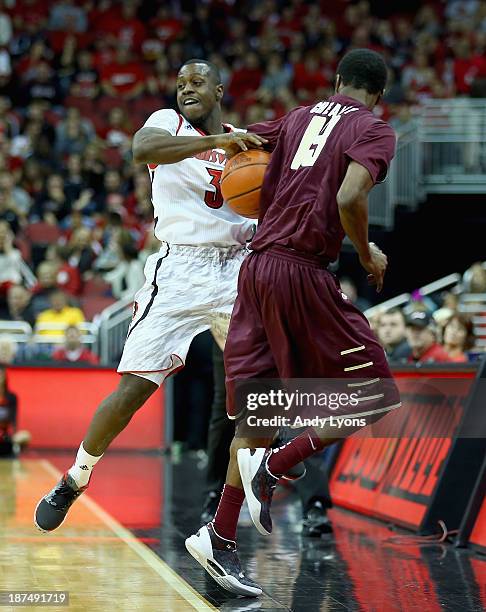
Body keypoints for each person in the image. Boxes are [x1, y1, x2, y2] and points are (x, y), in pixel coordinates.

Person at [185, 48, 402, 597]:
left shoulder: (298, 116)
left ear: (335, 80)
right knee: (372, 393)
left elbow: (239, 141)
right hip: (300, 270)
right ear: (379, 94)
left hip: (254, 269)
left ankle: (219, 536)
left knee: (262, 409)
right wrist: (367, 252)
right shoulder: (373, 128)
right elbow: (351, 194)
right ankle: (276, 466)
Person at [34, 60, 265, 549]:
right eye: (181, 83)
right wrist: (213, 143)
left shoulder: (244, 140)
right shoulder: (167, 123)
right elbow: (143, 150)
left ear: (219, 90)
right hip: (179, 269)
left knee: (250, 383)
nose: (186, 89)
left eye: (197, 82)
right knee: (134, 390)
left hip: (237, 267)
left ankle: (232, 505)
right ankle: (75, 476)